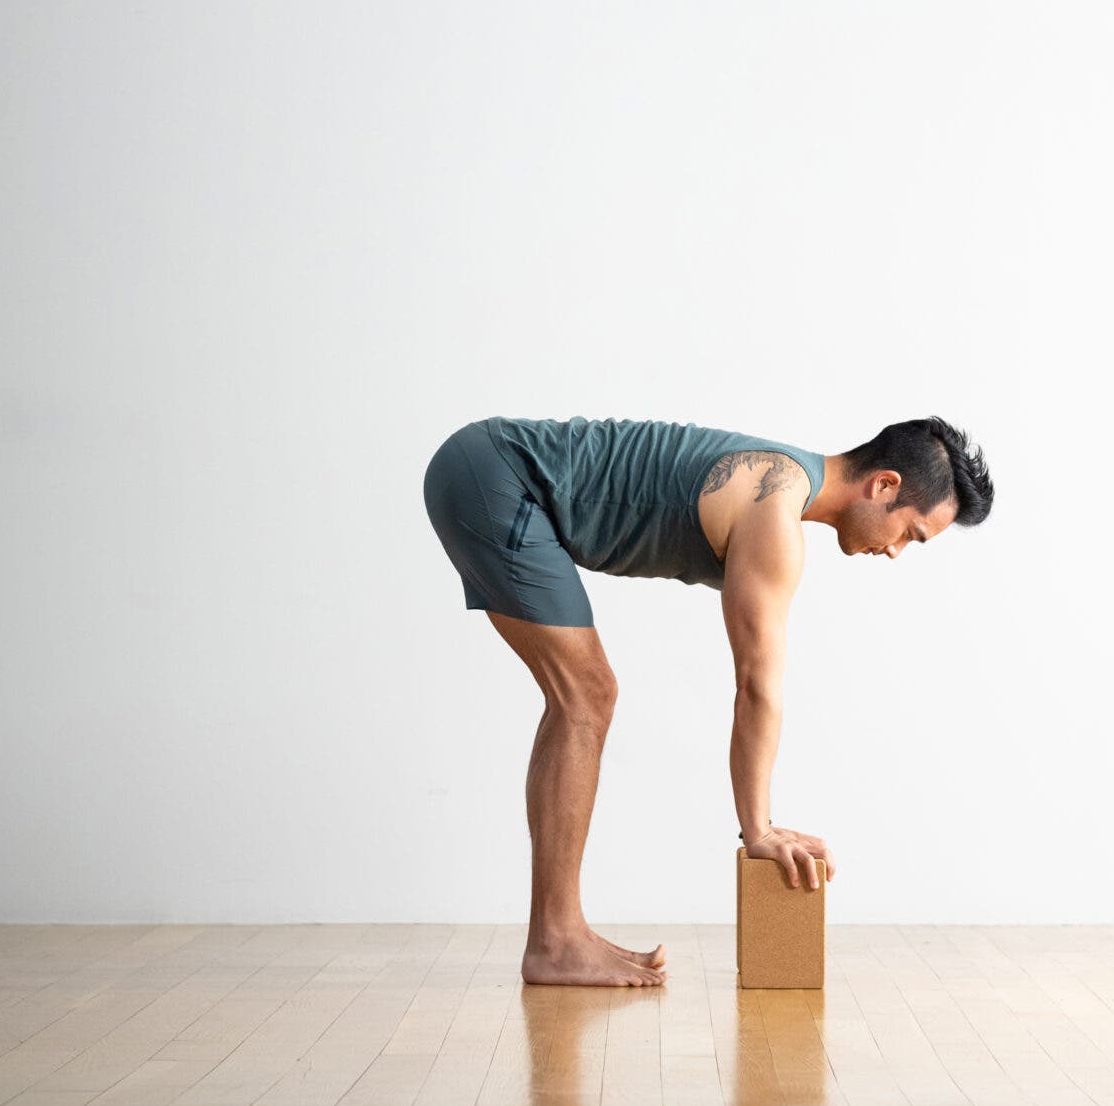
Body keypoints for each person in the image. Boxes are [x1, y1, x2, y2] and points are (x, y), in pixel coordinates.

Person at [421, 414, 995, 986]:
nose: (897, 552)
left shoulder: (784, 483)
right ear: (885, 485)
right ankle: (556, 940)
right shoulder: (775, 517)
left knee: (581, 695)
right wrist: (759, 830)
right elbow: (757, 687)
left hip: (484, 466)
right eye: (911, 534)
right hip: (497, 476)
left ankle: (558, 934)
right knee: (586, 695)